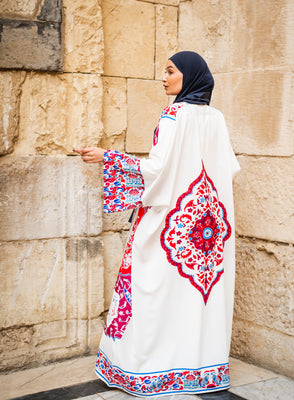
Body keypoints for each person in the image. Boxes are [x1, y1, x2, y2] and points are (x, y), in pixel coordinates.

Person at [75, 51, 240, 397]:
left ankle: (147, 371)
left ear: (189, 76)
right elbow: (228, 172)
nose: (164, 78)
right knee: (194, 298)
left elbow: (154, 171)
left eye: (170, 71)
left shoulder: (173, 115)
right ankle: (201, 370)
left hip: (170, 225)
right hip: (207, 231)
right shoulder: (217, 118)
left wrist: (108, 157)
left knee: (152, 292)